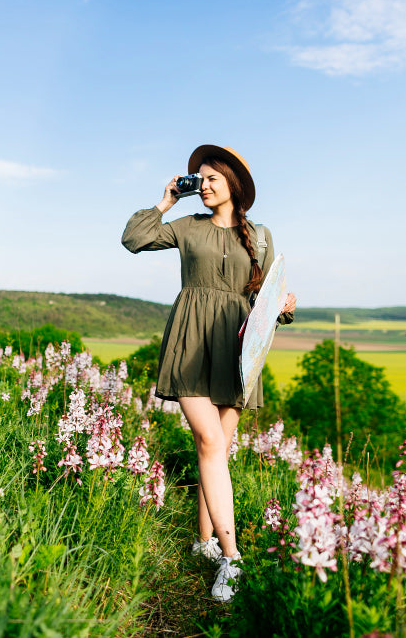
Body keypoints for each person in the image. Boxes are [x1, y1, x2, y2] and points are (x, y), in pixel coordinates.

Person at [121, 145, 296, 602]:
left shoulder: (259, 236)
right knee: (211, 443)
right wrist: (165, 201)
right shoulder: (187, 227)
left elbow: (262, 299)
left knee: (216, 447)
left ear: (233, 183)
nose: (204, 186)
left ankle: (204, 542)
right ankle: (232, 557)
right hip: (193, 341)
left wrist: (282, 309)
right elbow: (134, 239)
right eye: (199, 179)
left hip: (238, 348)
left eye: (212, 179)